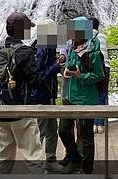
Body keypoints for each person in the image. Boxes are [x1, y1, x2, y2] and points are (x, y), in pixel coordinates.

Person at [0, 12, 44, 175]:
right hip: (21, 111)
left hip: (0, 110)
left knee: (3, 154)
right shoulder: (24, 52)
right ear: (21, 30)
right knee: (33, 154)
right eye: (27, 28)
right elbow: (35, 81)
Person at [58, 16, 104, 175]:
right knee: (63, 130)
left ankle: (86, 169)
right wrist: (66, 69)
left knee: (85, 137)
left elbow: (99, 75)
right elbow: (69, 63)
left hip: (85, 98)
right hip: (70, 96)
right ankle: (74, 156)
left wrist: (80, 76)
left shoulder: (93, 50)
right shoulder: (73, 44)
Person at [35, 18, 65, 173]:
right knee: (41, 130)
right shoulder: (42, 48)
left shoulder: (47, 46)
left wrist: (57, 65)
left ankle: (49, 160)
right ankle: (38, 162)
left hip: (49, 94)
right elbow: (39, 76)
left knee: (52, 129)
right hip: (42, 96)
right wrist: (56, 66)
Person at [89, 16, 109, 134]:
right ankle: (100, 124)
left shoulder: (85, 37)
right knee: (102, 94)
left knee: (92, 94)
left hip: (92, 68)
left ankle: (92, 124)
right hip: (105, 68)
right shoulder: (103, 37)